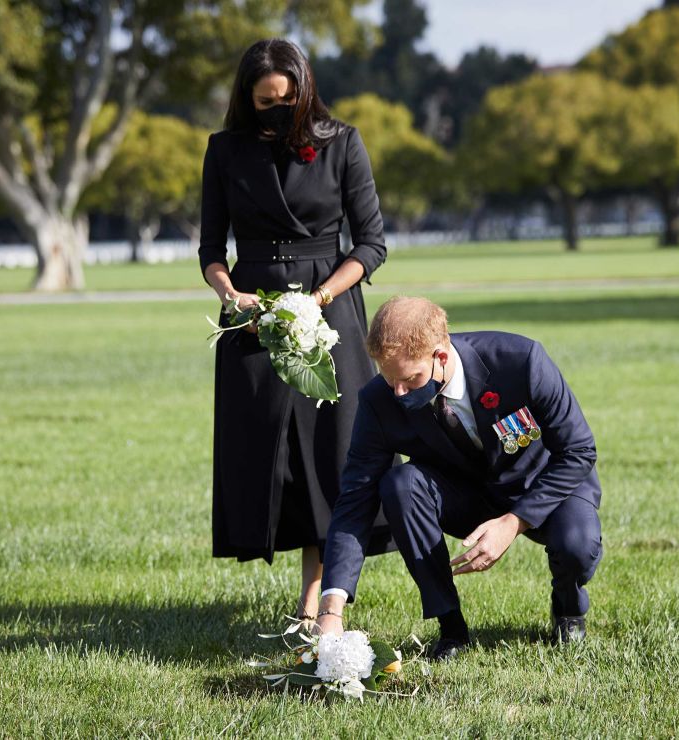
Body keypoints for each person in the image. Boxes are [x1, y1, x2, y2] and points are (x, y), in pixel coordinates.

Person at [198, 39, 394, 623]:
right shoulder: (224, 151)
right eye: (265, 102)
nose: (277, 109)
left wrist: (323, 296)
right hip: (253, 310)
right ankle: (279, 555)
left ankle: (316, 595)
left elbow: (371, 243)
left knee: (325, 452)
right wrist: (229, 292)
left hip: (328, 306)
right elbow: (212, 248)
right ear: (247, 98)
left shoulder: (343, 143)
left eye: (287, 99)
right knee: (264, 451)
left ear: (304, 92)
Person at [314, 297, 603, 659]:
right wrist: (331, 609)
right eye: (389, 379)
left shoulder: (521, 361)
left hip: (544, 483)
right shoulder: (379, 401)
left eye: (409, 379)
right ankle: (451, 627)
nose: (398, 392)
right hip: (465, 495)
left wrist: (513, 523)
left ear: (442, 357)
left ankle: (568, 609)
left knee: (578, 545)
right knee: (400, 485)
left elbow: (578, 451)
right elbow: (355, 497)